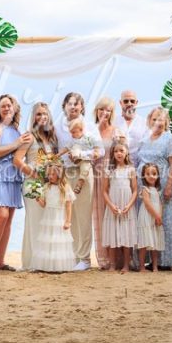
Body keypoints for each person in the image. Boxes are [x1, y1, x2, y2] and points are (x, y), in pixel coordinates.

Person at [0, 94, 31, 273]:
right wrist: (16, 143)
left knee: (8, 220)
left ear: (15, 108)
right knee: (1, 216)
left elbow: (21, 154)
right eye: (3, 106)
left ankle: (0, 261)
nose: (7, 108)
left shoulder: (17, 130)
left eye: (9, 105)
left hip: (12, 176)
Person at [55, 93, 103, 271]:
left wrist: (81, 155)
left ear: (82, 107)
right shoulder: (58, 127)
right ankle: (73, 256)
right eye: (70, 104)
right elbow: (56, 150)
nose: (74, 107)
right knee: (69, 216)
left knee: (83, 216)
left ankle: (84, 258)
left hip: (84, 174)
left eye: (77, 104)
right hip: (65, 174)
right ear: (65, 106)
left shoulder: (90, 126)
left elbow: (100, 151)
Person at [13, 102, 59, 271]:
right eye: (38, 114)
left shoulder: (52, 138)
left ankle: (45, 261)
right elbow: (17, 160)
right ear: (33, 117)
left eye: (44, 114)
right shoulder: (29, 137)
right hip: (32, 183)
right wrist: (33, 173)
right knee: (35, 220)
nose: (42, 117)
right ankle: (34, 263)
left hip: (48, 184)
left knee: (47, 220)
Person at [137, 107, 172, 269]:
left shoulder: (170, 139)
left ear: (166, 122)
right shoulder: (145, 138)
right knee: (146, 221)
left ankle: (165, 261)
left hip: (163, 187)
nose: (157, 122)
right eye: (155, 119)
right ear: (149, 121)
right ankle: (147, 260)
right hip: (145, 187)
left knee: (164, 222)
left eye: (161, 119)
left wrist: (169, 186)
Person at [93, 96, 125, 270]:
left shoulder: (116, 131)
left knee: (114, 214)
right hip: (95, 175)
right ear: (96, 111)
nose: (104, 113)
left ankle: (119, 259)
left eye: (108, 110)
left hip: (112, 175)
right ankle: (105, 259)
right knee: (100, 216)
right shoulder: (91, 130)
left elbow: (123, 153)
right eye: (101, 109)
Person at [29, 162, 75, 273]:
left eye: (52, 174)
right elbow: (43, 204)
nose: (49, 177)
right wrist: (37, 198)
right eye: (48, 174)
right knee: (47, 240)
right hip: (48, 217)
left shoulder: (65, 188)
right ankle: (46, 265)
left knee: (58, 240)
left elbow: (69, 207)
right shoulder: (46, 187)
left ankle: (58, 266)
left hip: (59, 218)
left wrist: (68, 221)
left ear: (59, 175)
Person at [101, 142, 138, 274]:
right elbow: (104, 191)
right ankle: (112, 265)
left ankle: (126, 265)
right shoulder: (108, 170)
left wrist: (128, 205)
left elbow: (135, 190)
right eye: (116, 151)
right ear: (113, 154)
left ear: (126, 152)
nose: (119, 153)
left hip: (126, 205)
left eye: (121, 151)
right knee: (113, 234)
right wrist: (111, 206)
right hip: (113, 205)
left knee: (126, 235)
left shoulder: (131, 169)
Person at [57, 118, 98, 195]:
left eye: (73, 132)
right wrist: (59, 154)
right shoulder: (72, 140)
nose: (72, 135)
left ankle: (80, 183)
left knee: (86, 167)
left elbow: (94, 150)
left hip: (84, 160)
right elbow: (66, 148)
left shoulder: (88, 138)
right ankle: (76, 157)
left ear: (81, 130)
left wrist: (89, 154)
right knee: (76, 147)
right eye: (71, 133)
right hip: (75, 159)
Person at [137, 163, 165, 272]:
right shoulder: (145, 189)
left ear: (158, 175)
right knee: (144, 242)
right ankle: (142, 266)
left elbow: (160, 204)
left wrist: (160, 217)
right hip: (146, 217)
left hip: (156, 218)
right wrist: (157, 215)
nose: (151, 176)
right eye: (148, 174)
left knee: (155, 242)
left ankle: (155, 266)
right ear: (144, 176)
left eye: (154, 174)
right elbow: (148, 204)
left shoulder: (158, 190)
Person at [113, 90, 149, 166]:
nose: (129, 104)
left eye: (132, 101)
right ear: (120, 103)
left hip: (138, 167)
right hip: (117, 168)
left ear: (136, 103)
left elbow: (147, 147)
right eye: (126, 101)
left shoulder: (145, 123)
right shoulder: (113, 122)